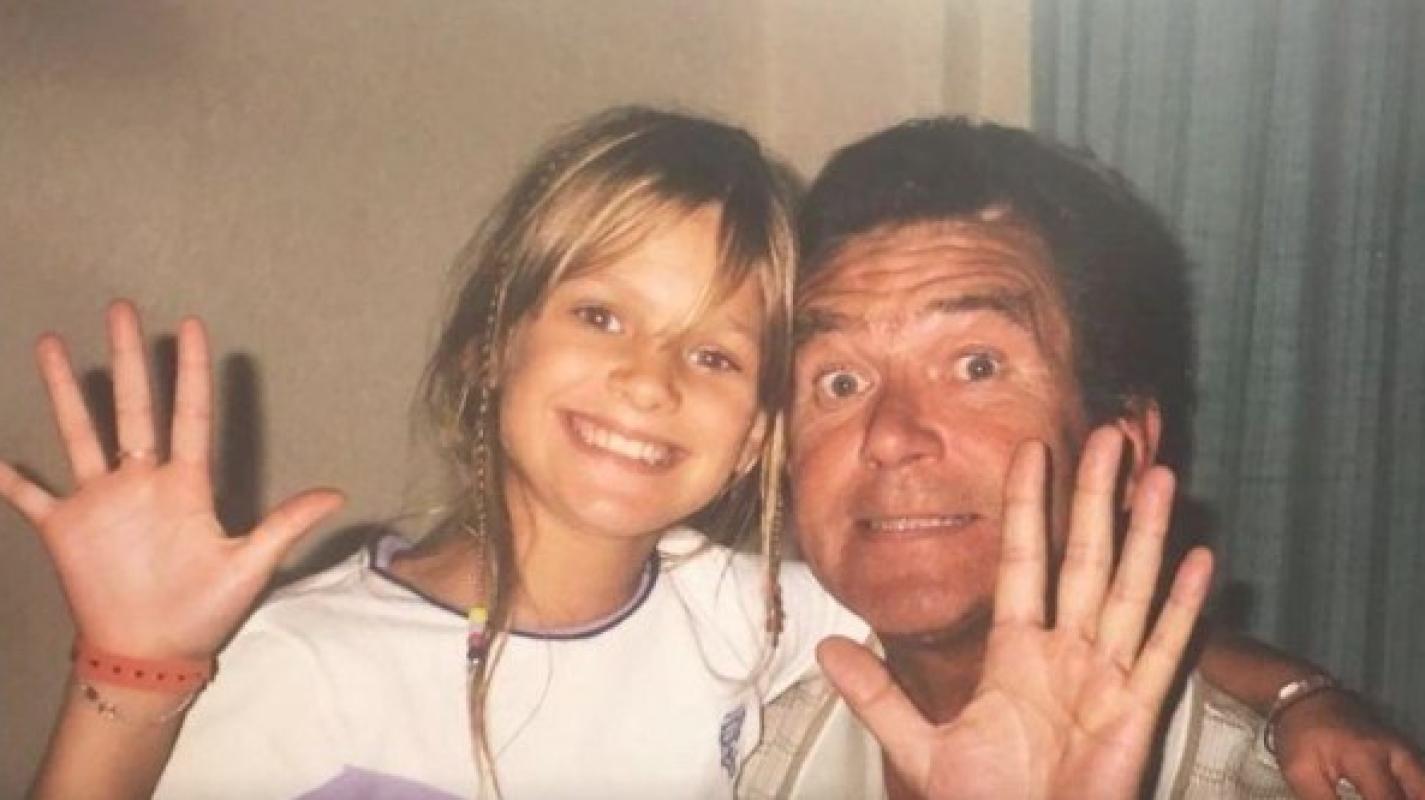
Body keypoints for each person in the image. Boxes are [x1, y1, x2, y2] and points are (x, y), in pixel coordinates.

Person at [2, 107, 1211, 800]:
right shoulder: (304, 664)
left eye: (716, 353)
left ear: (757, 435)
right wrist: (132, 669)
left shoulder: (762, 618)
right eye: (600, 314)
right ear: (491, 341)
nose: (649, 376)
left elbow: (1012, 625)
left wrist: (1287, 697)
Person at [741, 117, 1425, 800]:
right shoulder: (731, 748)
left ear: (1123, 455)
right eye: (840, 383)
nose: (889, 436)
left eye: (977, 367)